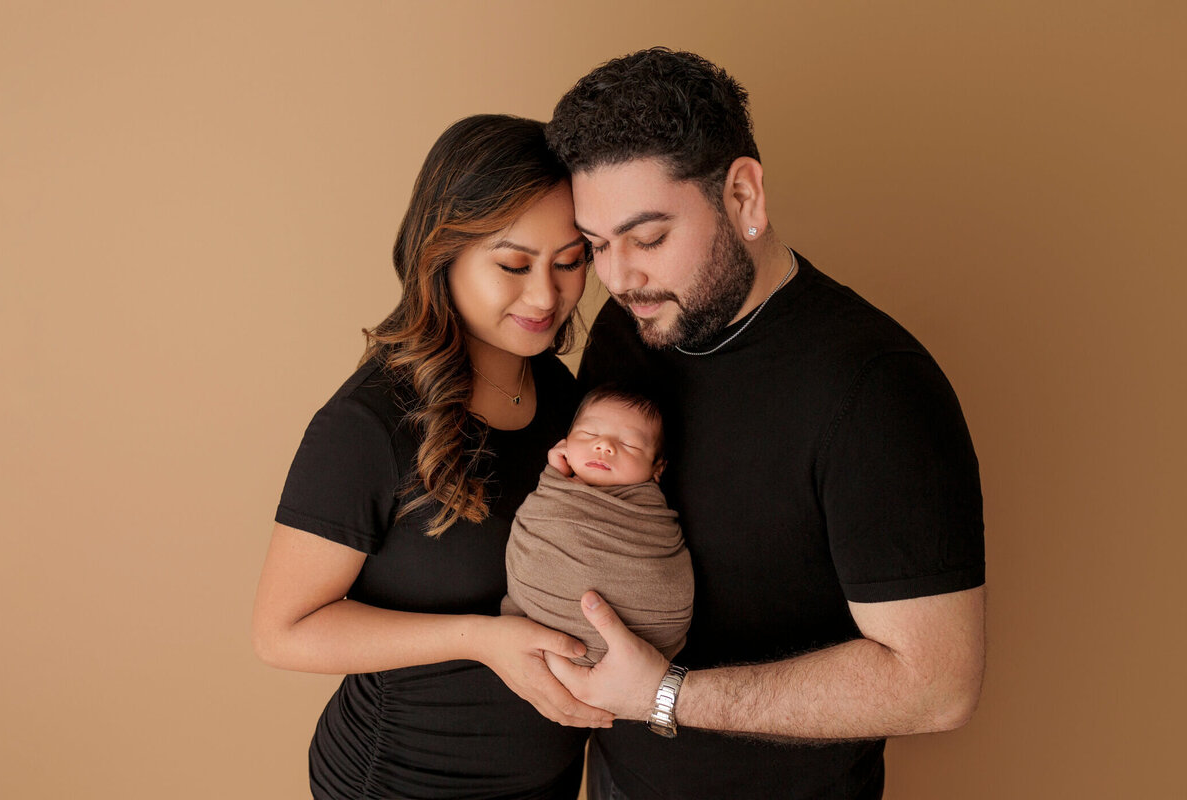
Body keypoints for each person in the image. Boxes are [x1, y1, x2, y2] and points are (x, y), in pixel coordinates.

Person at [541, 48, 987, 799]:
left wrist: (666, 696)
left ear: (744, 197)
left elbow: (938, 685)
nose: (618, 279)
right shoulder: (631, 330)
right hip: (617, 781)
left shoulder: (877, 389)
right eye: (596, 245)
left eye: (648, 238)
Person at [251, 114, 613, 800]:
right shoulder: (367, 425)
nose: (546, 296)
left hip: (550, 779)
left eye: (570, 262)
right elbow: (282, 633)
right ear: (441, 252)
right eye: (513, 265)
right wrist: (480, 639)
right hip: (403, 780)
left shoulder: (563, 393)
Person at [501, 385, 693, 666]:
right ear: (565, 442)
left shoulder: (648, 514)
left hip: (637, 655)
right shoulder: (553, 490)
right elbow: (536, 525)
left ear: (657, 469)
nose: (604, 446)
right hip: (535, 635)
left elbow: (661, 577)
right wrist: (554, 475)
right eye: (590, 434)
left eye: (629, 444)